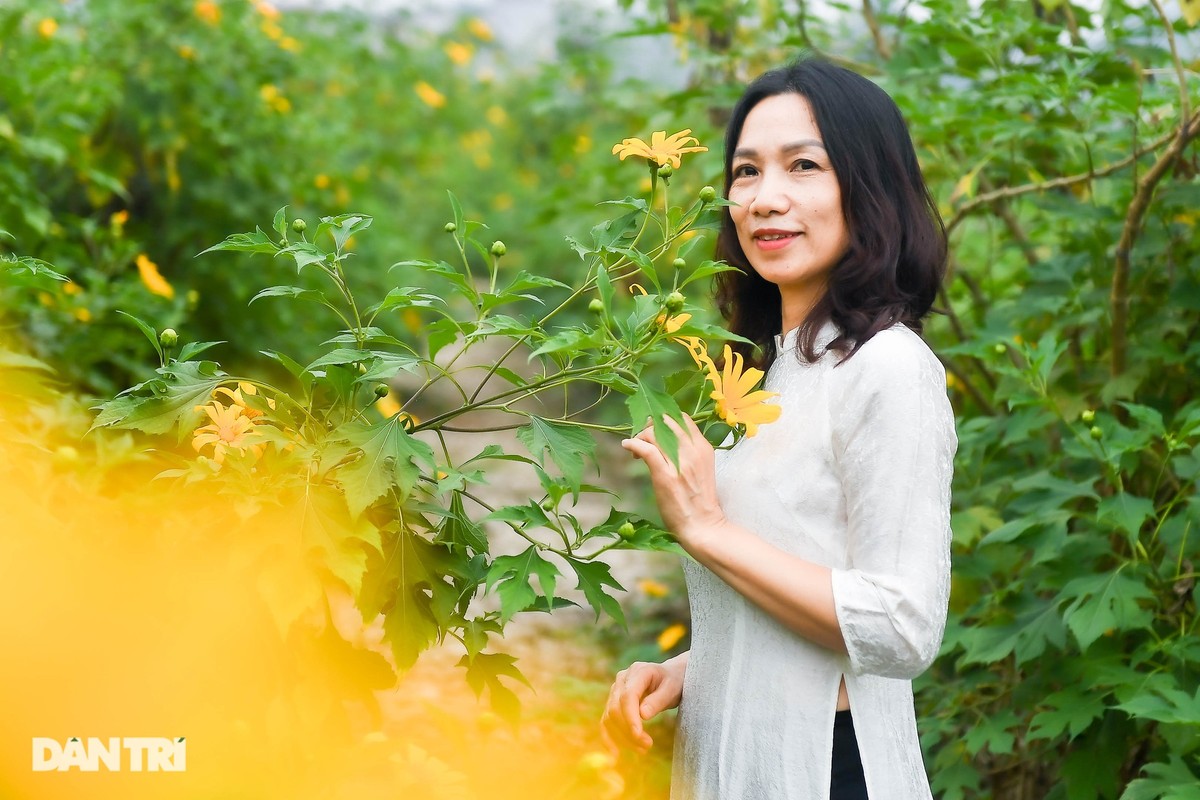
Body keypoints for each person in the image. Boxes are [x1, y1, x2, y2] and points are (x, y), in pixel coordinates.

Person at [600, 57, 957, 800]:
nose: (766, 198)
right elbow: (797, 587)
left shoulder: (888, 369)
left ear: (867, 187)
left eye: (803, 166)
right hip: (739, 761)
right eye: (746, 172)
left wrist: (707, 530)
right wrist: (689, 669)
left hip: (826, 771)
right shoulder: (775, 370)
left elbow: (901, 626)